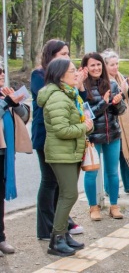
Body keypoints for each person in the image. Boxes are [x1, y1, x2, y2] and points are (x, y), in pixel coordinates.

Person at [37, 59, 93, 256]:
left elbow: (79, 120)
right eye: (72, 71)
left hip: (69, 151)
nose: (76, 73)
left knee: (66, 194)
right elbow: (61, 130)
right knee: (69, 194)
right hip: (61, 153)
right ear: (60, 75)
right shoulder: (57, 98)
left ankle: (62, 235)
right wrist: (83, 127)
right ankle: (57, 239)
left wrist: (86, 124)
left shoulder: (68, 94)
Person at [31, 39, 85, 241]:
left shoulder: (66, 87)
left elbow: (79, 104)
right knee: (50, 182)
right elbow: (48, 99)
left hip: (66, 135)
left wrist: (79, 86)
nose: (67, 57)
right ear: (52, 57)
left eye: (68, 53)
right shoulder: (40, 76)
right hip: (47, 134)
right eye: (63, 54)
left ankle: (60, 226)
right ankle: (48, 228)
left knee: (64, 187)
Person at [80, 52, 126, 221]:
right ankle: (93, 207)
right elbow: (87, 114)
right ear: (85, 67)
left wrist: (117, 103)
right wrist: (104, 102)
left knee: (113, 172)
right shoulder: (82, 88)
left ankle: (114, 206)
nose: (96, 68)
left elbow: (120, 111)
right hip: (92, 138)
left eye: (99, 64)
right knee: (91, 173)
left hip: (112, 134)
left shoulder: (112, 84)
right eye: (92, 65)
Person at [101, 49, 129, 195]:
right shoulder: (103, 82)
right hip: (113, 123)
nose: (116, 67)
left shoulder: (122, 78)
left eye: (117, 64)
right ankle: (110, 189)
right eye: (112, 65)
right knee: (113, 158)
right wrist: (120, 91)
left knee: (128, 152)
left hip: (126, 123)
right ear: (105, 66)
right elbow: (108, 103)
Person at [0, 60, 31, 256]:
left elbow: (25, 116)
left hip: (4, 152)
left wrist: (16, 103)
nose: (1, 75)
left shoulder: (4, 93)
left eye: (2, 71)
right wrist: (6, 103)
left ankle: (1, 238)